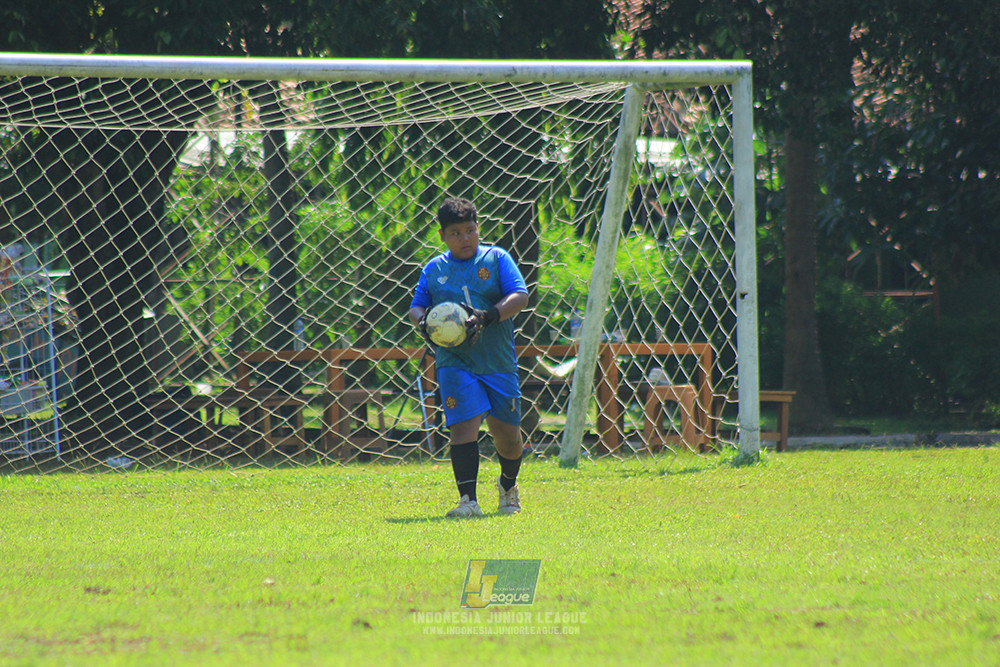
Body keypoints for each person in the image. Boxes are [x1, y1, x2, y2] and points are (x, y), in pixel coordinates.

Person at [408, 197, 529, 517]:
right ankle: (468, 501)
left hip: (497, 362)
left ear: (479, 229)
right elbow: (416, 307)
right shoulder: (434, 269)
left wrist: (488, 316)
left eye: (470, 230)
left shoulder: (496, 258)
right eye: (456, 233)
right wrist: (424, 323)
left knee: (507, 436)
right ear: (443, 236)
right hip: (454, 361)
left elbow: (520, 296)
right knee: (462, 428)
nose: (465, 238)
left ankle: (508, 486)